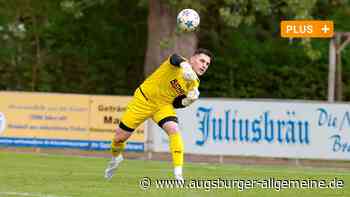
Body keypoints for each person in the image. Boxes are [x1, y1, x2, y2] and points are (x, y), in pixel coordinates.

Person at [104, 48, 213, 180]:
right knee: (119, 138)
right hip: (143, 100)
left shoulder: (194, 83)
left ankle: (178, 174)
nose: (204, 65)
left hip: (163, 106)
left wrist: (187, 101)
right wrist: (185, 66)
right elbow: (174, 57)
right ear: (192, 58)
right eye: (202, 61)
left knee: (174, 129)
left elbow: (176, 103)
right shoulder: (179, 63)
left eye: (207, 64)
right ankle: (116, 158)